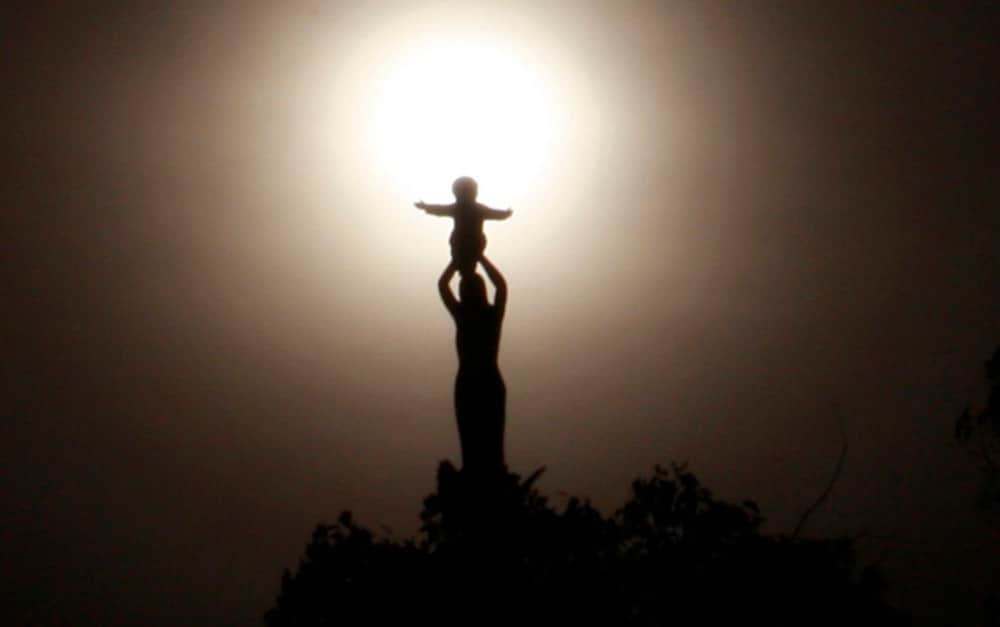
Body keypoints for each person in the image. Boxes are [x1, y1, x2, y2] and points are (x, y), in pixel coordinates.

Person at [438, 255, 508, 476]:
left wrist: (472, 257)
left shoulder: (483, 315)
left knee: (491, 441)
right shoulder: (471, 315)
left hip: (484, 382)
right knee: (470, 441)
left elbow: (501, 287)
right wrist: (470, 257)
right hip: (471, 383)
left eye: (467, 288)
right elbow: (501, 286)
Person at [416, 177, 512, 275]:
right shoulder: (464, 208)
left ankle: (465, 259)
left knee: (464, 252)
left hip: (472, 245)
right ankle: (464, 260)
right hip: (463, 245)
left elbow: (441, 209)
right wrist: (426, 207)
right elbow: (441, 209)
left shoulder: (472, 208)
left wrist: (505, 214)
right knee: (462, 252)